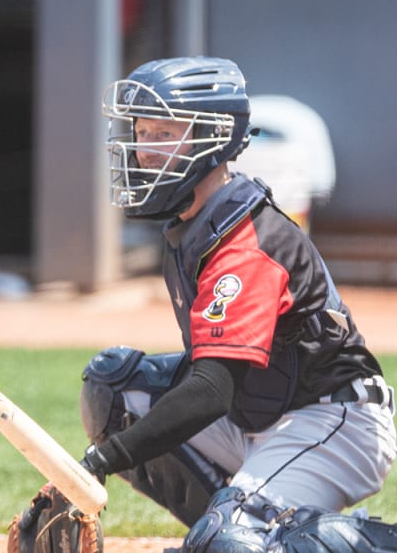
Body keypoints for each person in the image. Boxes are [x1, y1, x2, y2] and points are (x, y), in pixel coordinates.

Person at [80, 56, 396, 553]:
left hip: (332, 420)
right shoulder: (192, 224)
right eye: (142, 131)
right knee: (116, 392)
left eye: (165, 133)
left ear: (215, 140)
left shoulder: (245, 243)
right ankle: (231, 530)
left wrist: (96, 465)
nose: (143, 150)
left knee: (232, 542)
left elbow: (210, 391)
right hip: (264, 412)